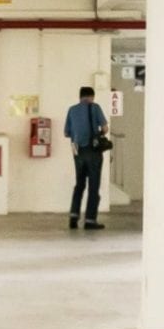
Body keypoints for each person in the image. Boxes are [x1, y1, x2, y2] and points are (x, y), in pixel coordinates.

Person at [64, 85, 109, 230]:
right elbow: (105, 128)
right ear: (91, 97)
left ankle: (73, 216)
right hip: (92, 151)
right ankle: (90, 220)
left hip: (77, 150)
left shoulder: (72, 110)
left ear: (80, 96)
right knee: (93, 185)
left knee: (79, 184)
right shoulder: (95, 107)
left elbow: (66, 133)